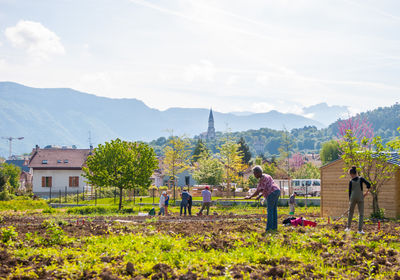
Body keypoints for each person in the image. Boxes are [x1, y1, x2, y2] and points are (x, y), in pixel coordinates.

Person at [245, 166, 281, 232]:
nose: (254, 175)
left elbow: (259, 190)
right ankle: (274, 227)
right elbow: (266, 188)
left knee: (270, 210)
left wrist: (250, 197)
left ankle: (269, 229)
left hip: (272, 193)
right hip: (277, 191)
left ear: (259, 172)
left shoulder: (262, 179)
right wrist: (260, 196)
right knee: (273, 210)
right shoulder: (267, 176)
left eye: (255, 173)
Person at [345, 166, 371, 234]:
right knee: (361, 214)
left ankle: (348, 228)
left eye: (350, 175)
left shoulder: (351, 181)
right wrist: (366, 193)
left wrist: (349, 201)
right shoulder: (361, 179)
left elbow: (350, 192)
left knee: (350, 213)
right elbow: (369, 184)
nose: (350, 176)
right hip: (360, 198)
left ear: (352, 174)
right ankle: (360, 230)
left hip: (352, 198)